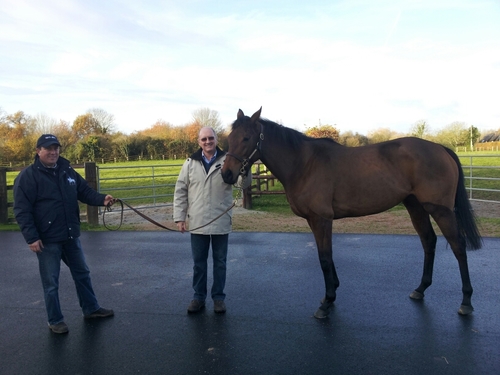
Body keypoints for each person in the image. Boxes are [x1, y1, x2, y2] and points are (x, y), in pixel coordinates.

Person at [13, 134, 115, 334]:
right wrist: (32, 237)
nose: (53, 152)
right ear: (38, 151)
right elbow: (22, 210)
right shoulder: (28, 177)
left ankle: (91, 308)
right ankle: (55, 320)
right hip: (47, 239)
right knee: (51, 283)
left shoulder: (66, 169)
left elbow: (84, 191)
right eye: (48, 148)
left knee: (82, 274)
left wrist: (102, 199)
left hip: (70, 236)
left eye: (56, 148)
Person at [174, 127, 250, 314]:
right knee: (199, 263)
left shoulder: (227, 160)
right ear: (199, 142)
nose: (207, 142)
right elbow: (181, 190)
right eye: (204, 139)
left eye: (211, 138)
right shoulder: (190, 163)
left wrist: (246, 170)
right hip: (198, 221)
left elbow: (243, 183)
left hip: (220, 220)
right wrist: (179, 217)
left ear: (216, 140)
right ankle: (198, 297)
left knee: (220, 262)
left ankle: (218, 298)